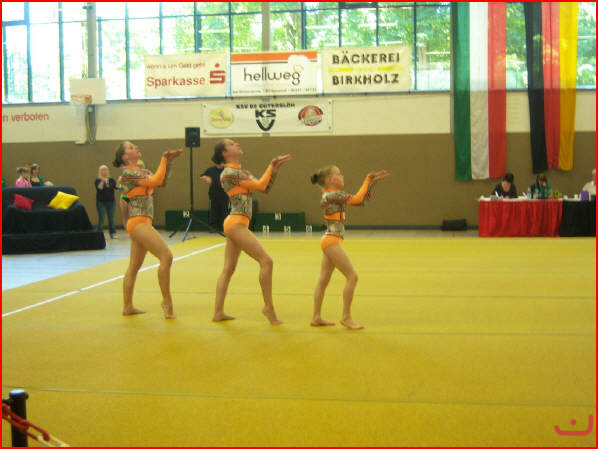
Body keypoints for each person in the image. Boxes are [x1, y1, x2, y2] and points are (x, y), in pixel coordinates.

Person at [211, 138, 291, 325]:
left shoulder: (241, 172)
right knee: (266, 262)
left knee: (228, 269)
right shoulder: (230, 173)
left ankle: (218, 312)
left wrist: (275, 169)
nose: (237, 144)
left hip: (237, 223)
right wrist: (271, 166)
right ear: (224, 153)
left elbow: (265, 187)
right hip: (236, 223)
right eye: (232, 144)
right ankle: (268, 308)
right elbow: (262, 185)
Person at [310, 166, 390, 330]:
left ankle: (316, 316)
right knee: (352, 277)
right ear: (330, 180)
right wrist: (368, 180)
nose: (342, 176)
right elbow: (358, 200)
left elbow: (362, 199)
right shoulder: (333, 195)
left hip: (330, 239)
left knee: (323, 280)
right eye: (339, 174)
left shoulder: (329, 194)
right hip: (331, 241)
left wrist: (371, 182)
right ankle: (346, 317)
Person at [113, 141, 183, 318]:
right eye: (131, 147)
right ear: (125, 157)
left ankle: (127, 306)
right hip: (138, 222)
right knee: (166, 257)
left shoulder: (142, 172)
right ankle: (166, 301)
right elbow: (156, 180)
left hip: (142, 222)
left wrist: (169, 163)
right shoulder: (128, 173)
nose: (136, 147)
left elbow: (162, 181)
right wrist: (164, 158)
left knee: (134, 267)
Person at [200, 157, 230, 232]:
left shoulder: (226, 170)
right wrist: (206, 178)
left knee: (225, 211)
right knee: (214, 211)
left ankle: (225, 227)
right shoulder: (210, 170)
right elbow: (202, 175)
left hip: (225, 194)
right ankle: (213, 227)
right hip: (214, 194)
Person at [116, 160, 143, 232]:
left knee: (133, 215)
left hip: (134, 198)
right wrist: (124, 191)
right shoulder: (123, 177)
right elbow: (118, 187)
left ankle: (134, 229)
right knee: (125, 215)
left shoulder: (140, 177)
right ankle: (128, 230)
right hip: (124, 197)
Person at [95, 165, 118, 239]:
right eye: (103, 170)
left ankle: (113, 233)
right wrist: (103, 180)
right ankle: (98, 233)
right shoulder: (97, 180)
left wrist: (119, 181)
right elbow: (99, 188)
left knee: (111, 218)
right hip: (101, 203)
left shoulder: (111, 180)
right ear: (100, 172)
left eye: (106, 170)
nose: (104, 172)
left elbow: (118, 188)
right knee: (101, 218)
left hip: (111, 202)